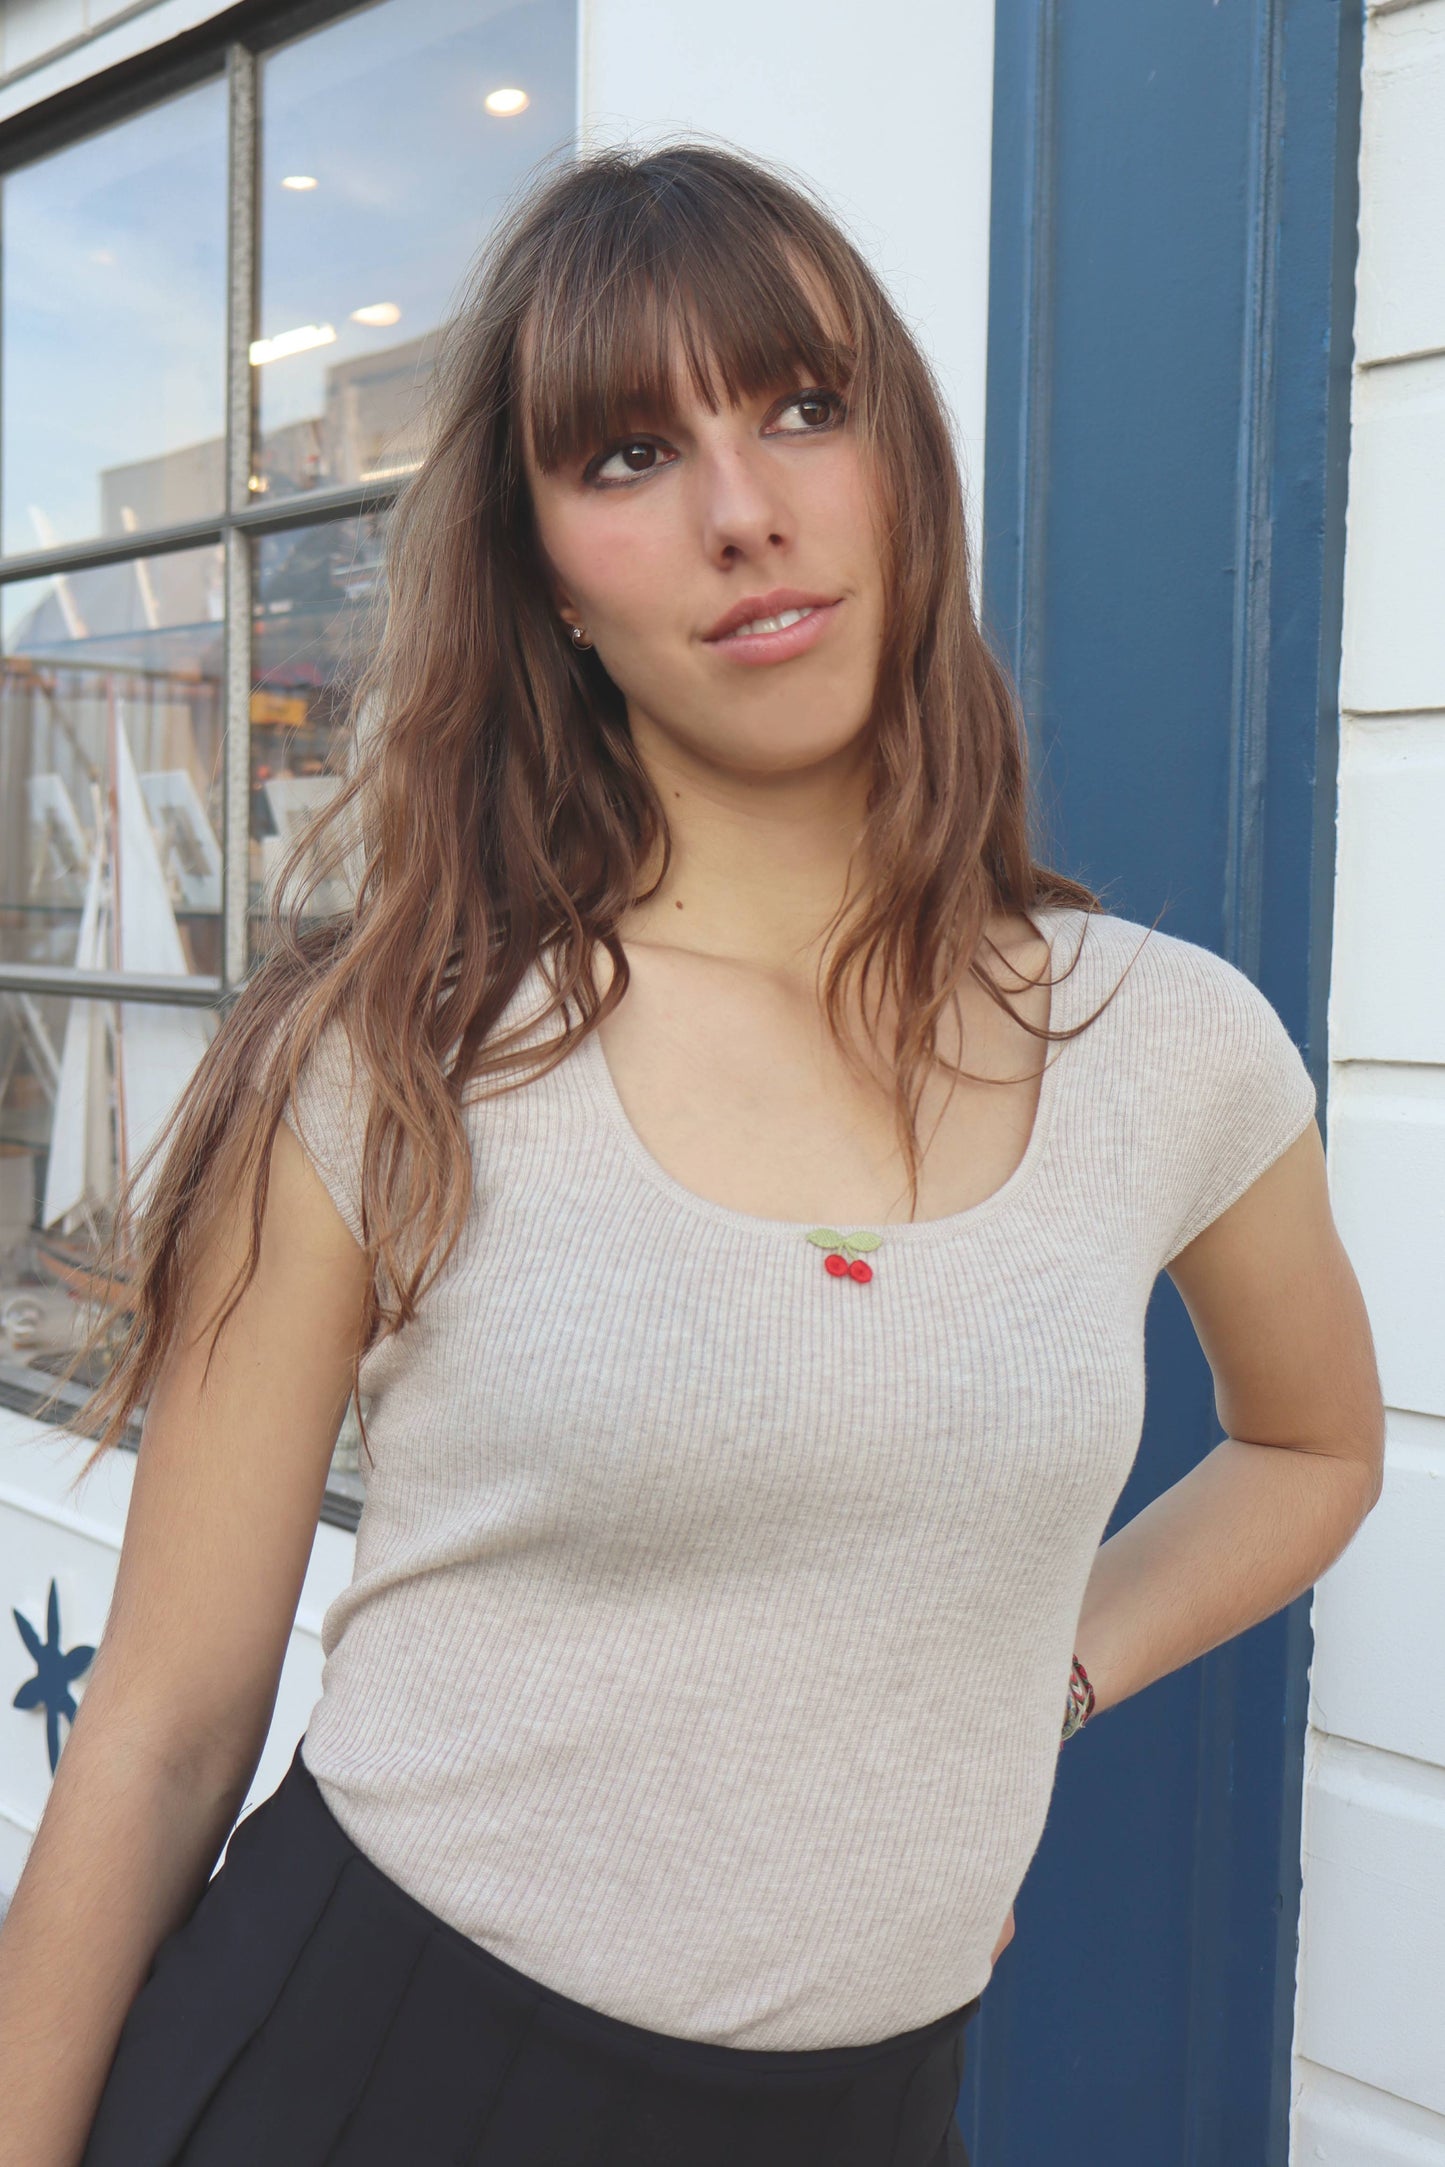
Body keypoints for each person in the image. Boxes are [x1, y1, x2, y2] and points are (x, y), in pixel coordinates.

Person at [0, 140, 1383, 2167]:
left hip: (858, 2113)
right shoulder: (398, 1057)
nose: (747, 513)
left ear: (905, 460)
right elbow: (163, 1732)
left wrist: (1040, 1686)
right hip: (367, 2069)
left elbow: (1313, 1448)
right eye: (631, 455)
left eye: (806, 409)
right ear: (546, 568)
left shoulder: (1166, 1047)